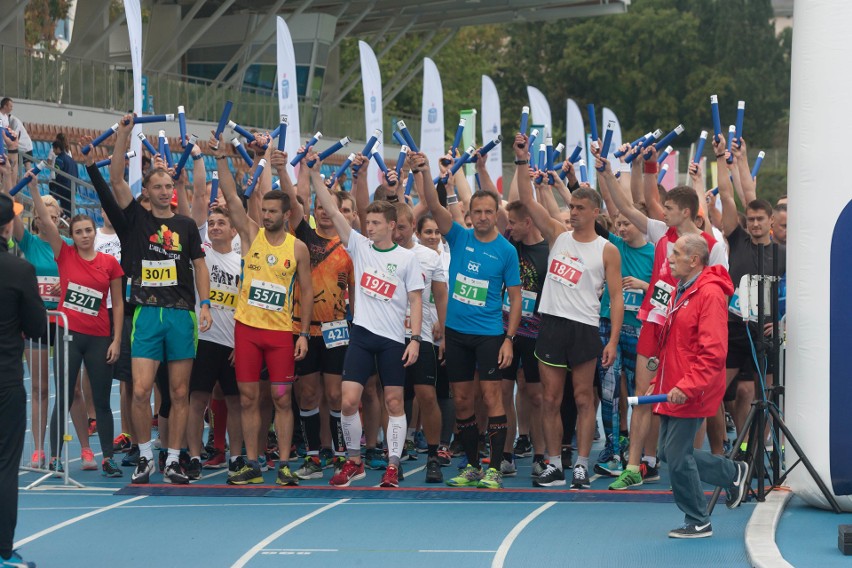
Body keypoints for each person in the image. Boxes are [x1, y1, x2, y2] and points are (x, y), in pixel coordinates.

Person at [600, 151, 728, 490]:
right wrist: (609, 172)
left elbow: (719, 290)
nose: (660, 210)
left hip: (686, 329)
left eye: (668, 208)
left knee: (689, 397)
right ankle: (634, 465)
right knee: (643, 393)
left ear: (685, 212)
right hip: (655, 322)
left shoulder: (712, 246)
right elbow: (627, 207)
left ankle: (689, 464)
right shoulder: (661, 232)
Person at [515, 134, 623, 489]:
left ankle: (581, 463)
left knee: (582, 397)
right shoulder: (557, 236)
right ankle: (551, 462)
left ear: (595, 212)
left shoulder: (607, 250)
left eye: (579, 208)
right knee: (549, 398)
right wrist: (521, 161)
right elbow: (528, 202)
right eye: (571, 207)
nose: (573, 212)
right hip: (552, 326)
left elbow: (617, 299)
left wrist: (613, 341)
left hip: (585, 329)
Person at [311, 152, 424, 489]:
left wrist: (415, 339)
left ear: (392, 226)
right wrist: (315, 173)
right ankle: (353, 461)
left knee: (392, 401)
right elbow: (331, 209)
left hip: (392, 340)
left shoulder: (406, 258)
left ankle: (392, 465)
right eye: (368, 223)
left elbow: (416, 299)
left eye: (376, 223)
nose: (369, 227)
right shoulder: (359, 246)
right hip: (361, 335)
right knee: (347, 400)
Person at [109, 115, 212, 485]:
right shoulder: (136, 219)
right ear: (148, 191)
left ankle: (172, 459)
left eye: (170, 185)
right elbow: (116, 179)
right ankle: (144, 457)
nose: (166, 191)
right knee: (139, 390)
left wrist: (205, 304)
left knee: (180, 391)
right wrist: (122, 136)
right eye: (159, 186)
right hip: (147, 313)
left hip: (182, 314)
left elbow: (200, 266)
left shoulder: (184, 225)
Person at [417, 149, 522, 490]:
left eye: (488, 212)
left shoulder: (506, 251)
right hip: (456, 334)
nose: (481, 217)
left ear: (496, 215)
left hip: (489, 335)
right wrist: (425, 170)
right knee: (462, 399)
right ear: (470, 214)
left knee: (491, 399)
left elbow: (516, 298)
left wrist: (509, 338)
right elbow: (433, 206)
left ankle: (494, 467)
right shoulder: (459, 236)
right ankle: (473, 465)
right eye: (476, 211)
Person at [216, 136, 313, 487]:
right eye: (265, 211)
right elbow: (230, 198)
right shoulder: (251, 235)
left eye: (273, 212)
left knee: (281, 397)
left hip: (279, 334)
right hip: (247, 330)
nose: (267, 215)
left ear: (287, 215)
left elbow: (307, 291)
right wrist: (222, 160)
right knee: (248, 397)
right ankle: (253, 464)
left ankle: (285, 464)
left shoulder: (298, 248)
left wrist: (302, 334)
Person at [25, 173, 125, 477]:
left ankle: (107, 458)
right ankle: (55, 457)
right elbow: (44, 218)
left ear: (94, 233)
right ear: (72, 233)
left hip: (98, 338)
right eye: (78, 231)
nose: (83, 235)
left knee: (101, 400)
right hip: (70, 336)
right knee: (64, 396)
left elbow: (118, 303)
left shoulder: (109, 264)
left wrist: (116, 340)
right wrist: (33, 187)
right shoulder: (64, 253)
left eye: (87, 231)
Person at [653, 233, 747, 538]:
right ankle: (732, 473)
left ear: (694, 260)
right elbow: (678, 342)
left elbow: (713, 352)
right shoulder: (686, 289)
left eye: (677, 253)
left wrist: (688, 385)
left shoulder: (706, 294)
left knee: (678, 456)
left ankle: (698, 519)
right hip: (675, 385)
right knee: (667, 453)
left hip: (689, 389)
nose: (670, 258)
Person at [270, 149, 355, 480]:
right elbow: (291, 198)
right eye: (318, 208)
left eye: (327, 209)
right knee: (306, 393)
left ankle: (337, 453)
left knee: (335, 394)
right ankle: (313, 456)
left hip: (337, 329)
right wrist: (282, 168)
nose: (323, 213)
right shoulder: (302, 235)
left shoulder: (350, 246)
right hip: (301, 329)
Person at [0, 193, 45, 568]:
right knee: (3, 466)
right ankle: (2, 552)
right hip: (4, 382)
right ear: (5, 227)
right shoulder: (18, 270)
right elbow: (36, 327)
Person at [393, 201, 448, 483]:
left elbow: (440, 295)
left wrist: (444, 334)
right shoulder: (382, 252)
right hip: (390, 335)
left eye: (401, 227)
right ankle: (395, 456)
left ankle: (434, 457)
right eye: (393, 227)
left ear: (412, 227)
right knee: (394, 398)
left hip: (422, 335)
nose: (397, 233)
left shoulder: (428, 256)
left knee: (426, 396)